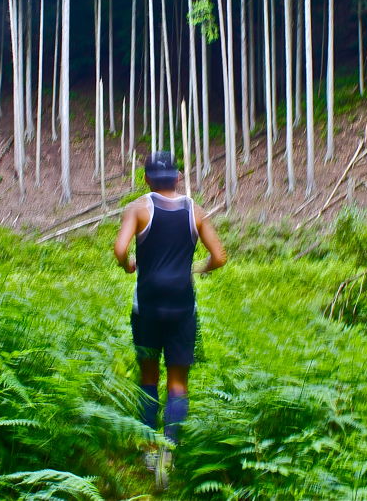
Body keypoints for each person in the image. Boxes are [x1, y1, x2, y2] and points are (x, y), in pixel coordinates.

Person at [113, 151, 227, 487]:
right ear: (178, 177)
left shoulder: (137, 209)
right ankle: (169, 452)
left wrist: (128, 265)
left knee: (149, 376)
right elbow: (220, 257)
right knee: (178, 383)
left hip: (146, 308)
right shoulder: (196, 211)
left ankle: (149, 451)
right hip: (182, 308)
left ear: (146, 178)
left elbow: (120, 250)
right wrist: (198, 268)